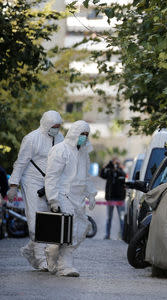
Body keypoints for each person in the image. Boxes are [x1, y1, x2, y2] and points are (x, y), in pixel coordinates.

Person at [6, 110, 64, 271]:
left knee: (50, 221)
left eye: (59, 126)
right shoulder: (32, 139)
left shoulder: (60, 138)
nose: (56, 129)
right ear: (46, 125)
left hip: (51, 182)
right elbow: (21, 162)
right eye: (54, 126)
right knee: (35, 221)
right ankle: (40, 260)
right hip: (32, 181)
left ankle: (33, 251)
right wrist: (13, 185)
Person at [44, 120, 97, 277]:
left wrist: (91, 194)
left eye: (87, 135)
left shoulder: (83, 153)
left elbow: (86, 177)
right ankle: (54, 256)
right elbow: (52, 176)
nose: (84, 137)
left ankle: (65, 265)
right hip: (63, 195)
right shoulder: (60, 150)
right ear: (75, 133)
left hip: (78, 198)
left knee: (78, 230)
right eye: (82, 134)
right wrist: (53, 199)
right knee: (65, 232)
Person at [100, 157, 126, 239]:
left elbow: (124, 176)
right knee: (109, 218)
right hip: (110, 198)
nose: (115, 164)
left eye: (116, 163)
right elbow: (102, 175)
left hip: (120, 198)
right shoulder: (109, 171)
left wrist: (119, 167)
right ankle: (107, 235)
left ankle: (122, 235)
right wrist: (108, 165)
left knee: (122, 219)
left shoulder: (120, 171)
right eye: (114, 163)